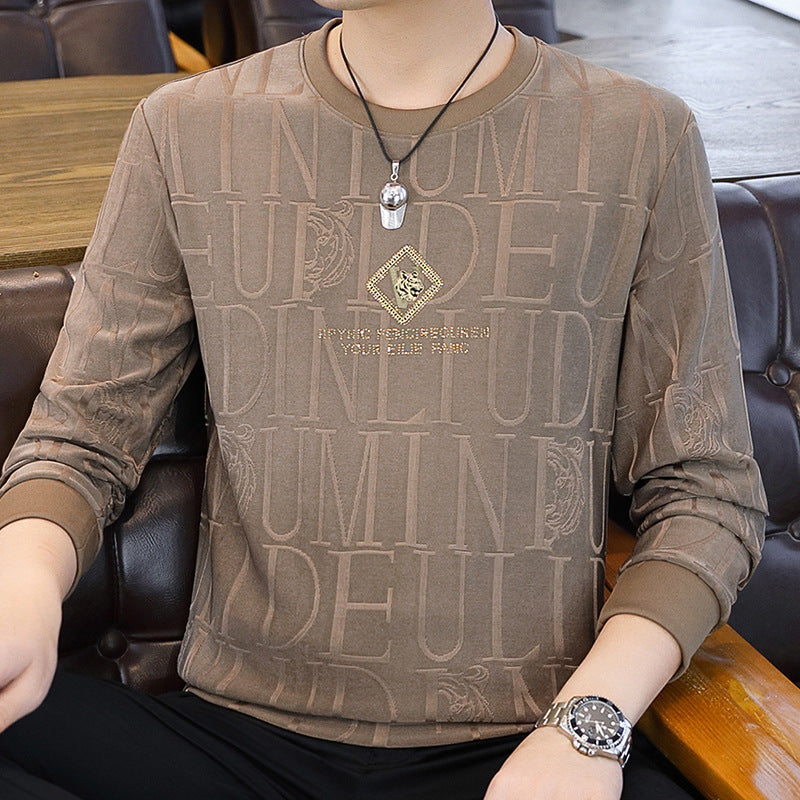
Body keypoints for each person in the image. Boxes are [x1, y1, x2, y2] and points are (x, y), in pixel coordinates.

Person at [0, 1, 767, 798]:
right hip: (235, 742)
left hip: (520, 748)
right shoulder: (185, 128)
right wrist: (23, 583)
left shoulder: (639, 137)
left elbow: (704, 493)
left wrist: (588, 725)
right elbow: (82, 436)